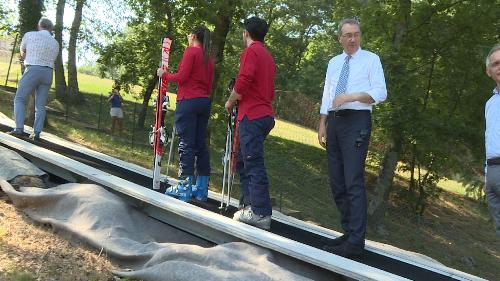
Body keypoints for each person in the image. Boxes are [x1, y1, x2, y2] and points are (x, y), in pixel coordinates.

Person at [317, 18, 387, 257]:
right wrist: (322, 123)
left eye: (356, 34)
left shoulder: (371, 60)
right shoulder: (334, 62)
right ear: (340, 38)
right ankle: (348, 232)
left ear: (360, 36)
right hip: (334, 123)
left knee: (353, 181)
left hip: (357, 122)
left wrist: (351, 96)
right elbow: (328, 94)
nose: (352, 39)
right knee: (337, 182)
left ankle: (356, 242)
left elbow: (380, 92)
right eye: (347, 35)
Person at [225, 17, 276, 230]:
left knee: (252, 162)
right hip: (264, 113)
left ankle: (260, 212)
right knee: (244, 163)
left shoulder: (251, 52)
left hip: (252, 115)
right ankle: (249, 205)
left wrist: (230, 100)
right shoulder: (268, 57)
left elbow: (243, 80)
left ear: (246, 32)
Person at [157, 26, 214, 202]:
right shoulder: (208, 59)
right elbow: (209, 85)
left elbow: (182, 77)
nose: (188, 37)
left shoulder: (192, 52)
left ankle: (184, 187)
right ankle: (202, 188)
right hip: (204, 102)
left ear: (194, 36)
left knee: (186, 144)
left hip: (188, 100)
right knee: (200, 144)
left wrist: (164, 74)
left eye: (190, 34)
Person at [8, 17, 59, 140]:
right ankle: (36, 133)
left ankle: (19, 129)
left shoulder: (29, 35)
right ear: (50, 29)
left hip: (33, 69)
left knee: (20, 98)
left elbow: (23, 51)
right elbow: (54, 58)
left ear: (39, 25)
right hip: (48, 73)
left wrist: (24, 56)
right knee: (40, 105)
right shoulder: (55, 43)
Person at [484, 44, 500, 237]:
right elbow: (490, 138)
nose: (499, 67)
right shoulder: (491, 103)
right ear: (489, 71)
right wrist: (488, 175)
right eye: (496, 64)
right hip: (493, 173)